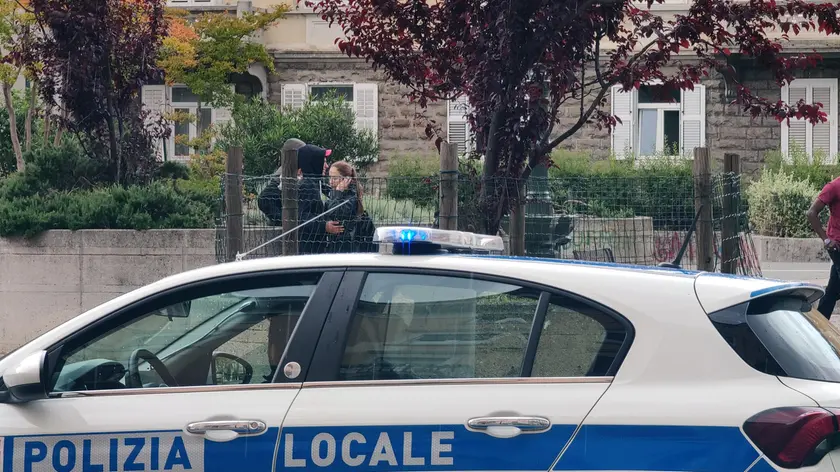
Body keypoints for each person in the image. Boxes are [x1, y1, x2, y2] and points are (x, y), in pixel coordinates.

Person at [257, 143, 342, 254]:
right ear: (314, 162)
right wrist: (324, 226)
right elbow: (301, 217)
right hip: (307, 249)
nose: (326, 166)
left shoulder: (314, 183)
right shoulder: (308, 185)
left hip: (311, 247)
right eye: (323, 162)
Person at [807, 176, 840, 319]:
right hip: (838, 246)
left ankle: (818, 325)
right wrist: (826, 239)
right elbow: (811, 213)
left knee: (833, 291)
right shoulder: (833, 187)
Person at [326, 160, 376, 253]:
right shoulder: (338, 194)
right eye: (330, 178)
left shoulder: (351, 198)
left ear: (346, 180)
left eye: (335, 178)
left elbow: (334, 211)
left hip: (347, 247)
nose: (330, 182)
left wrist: (337, 192)